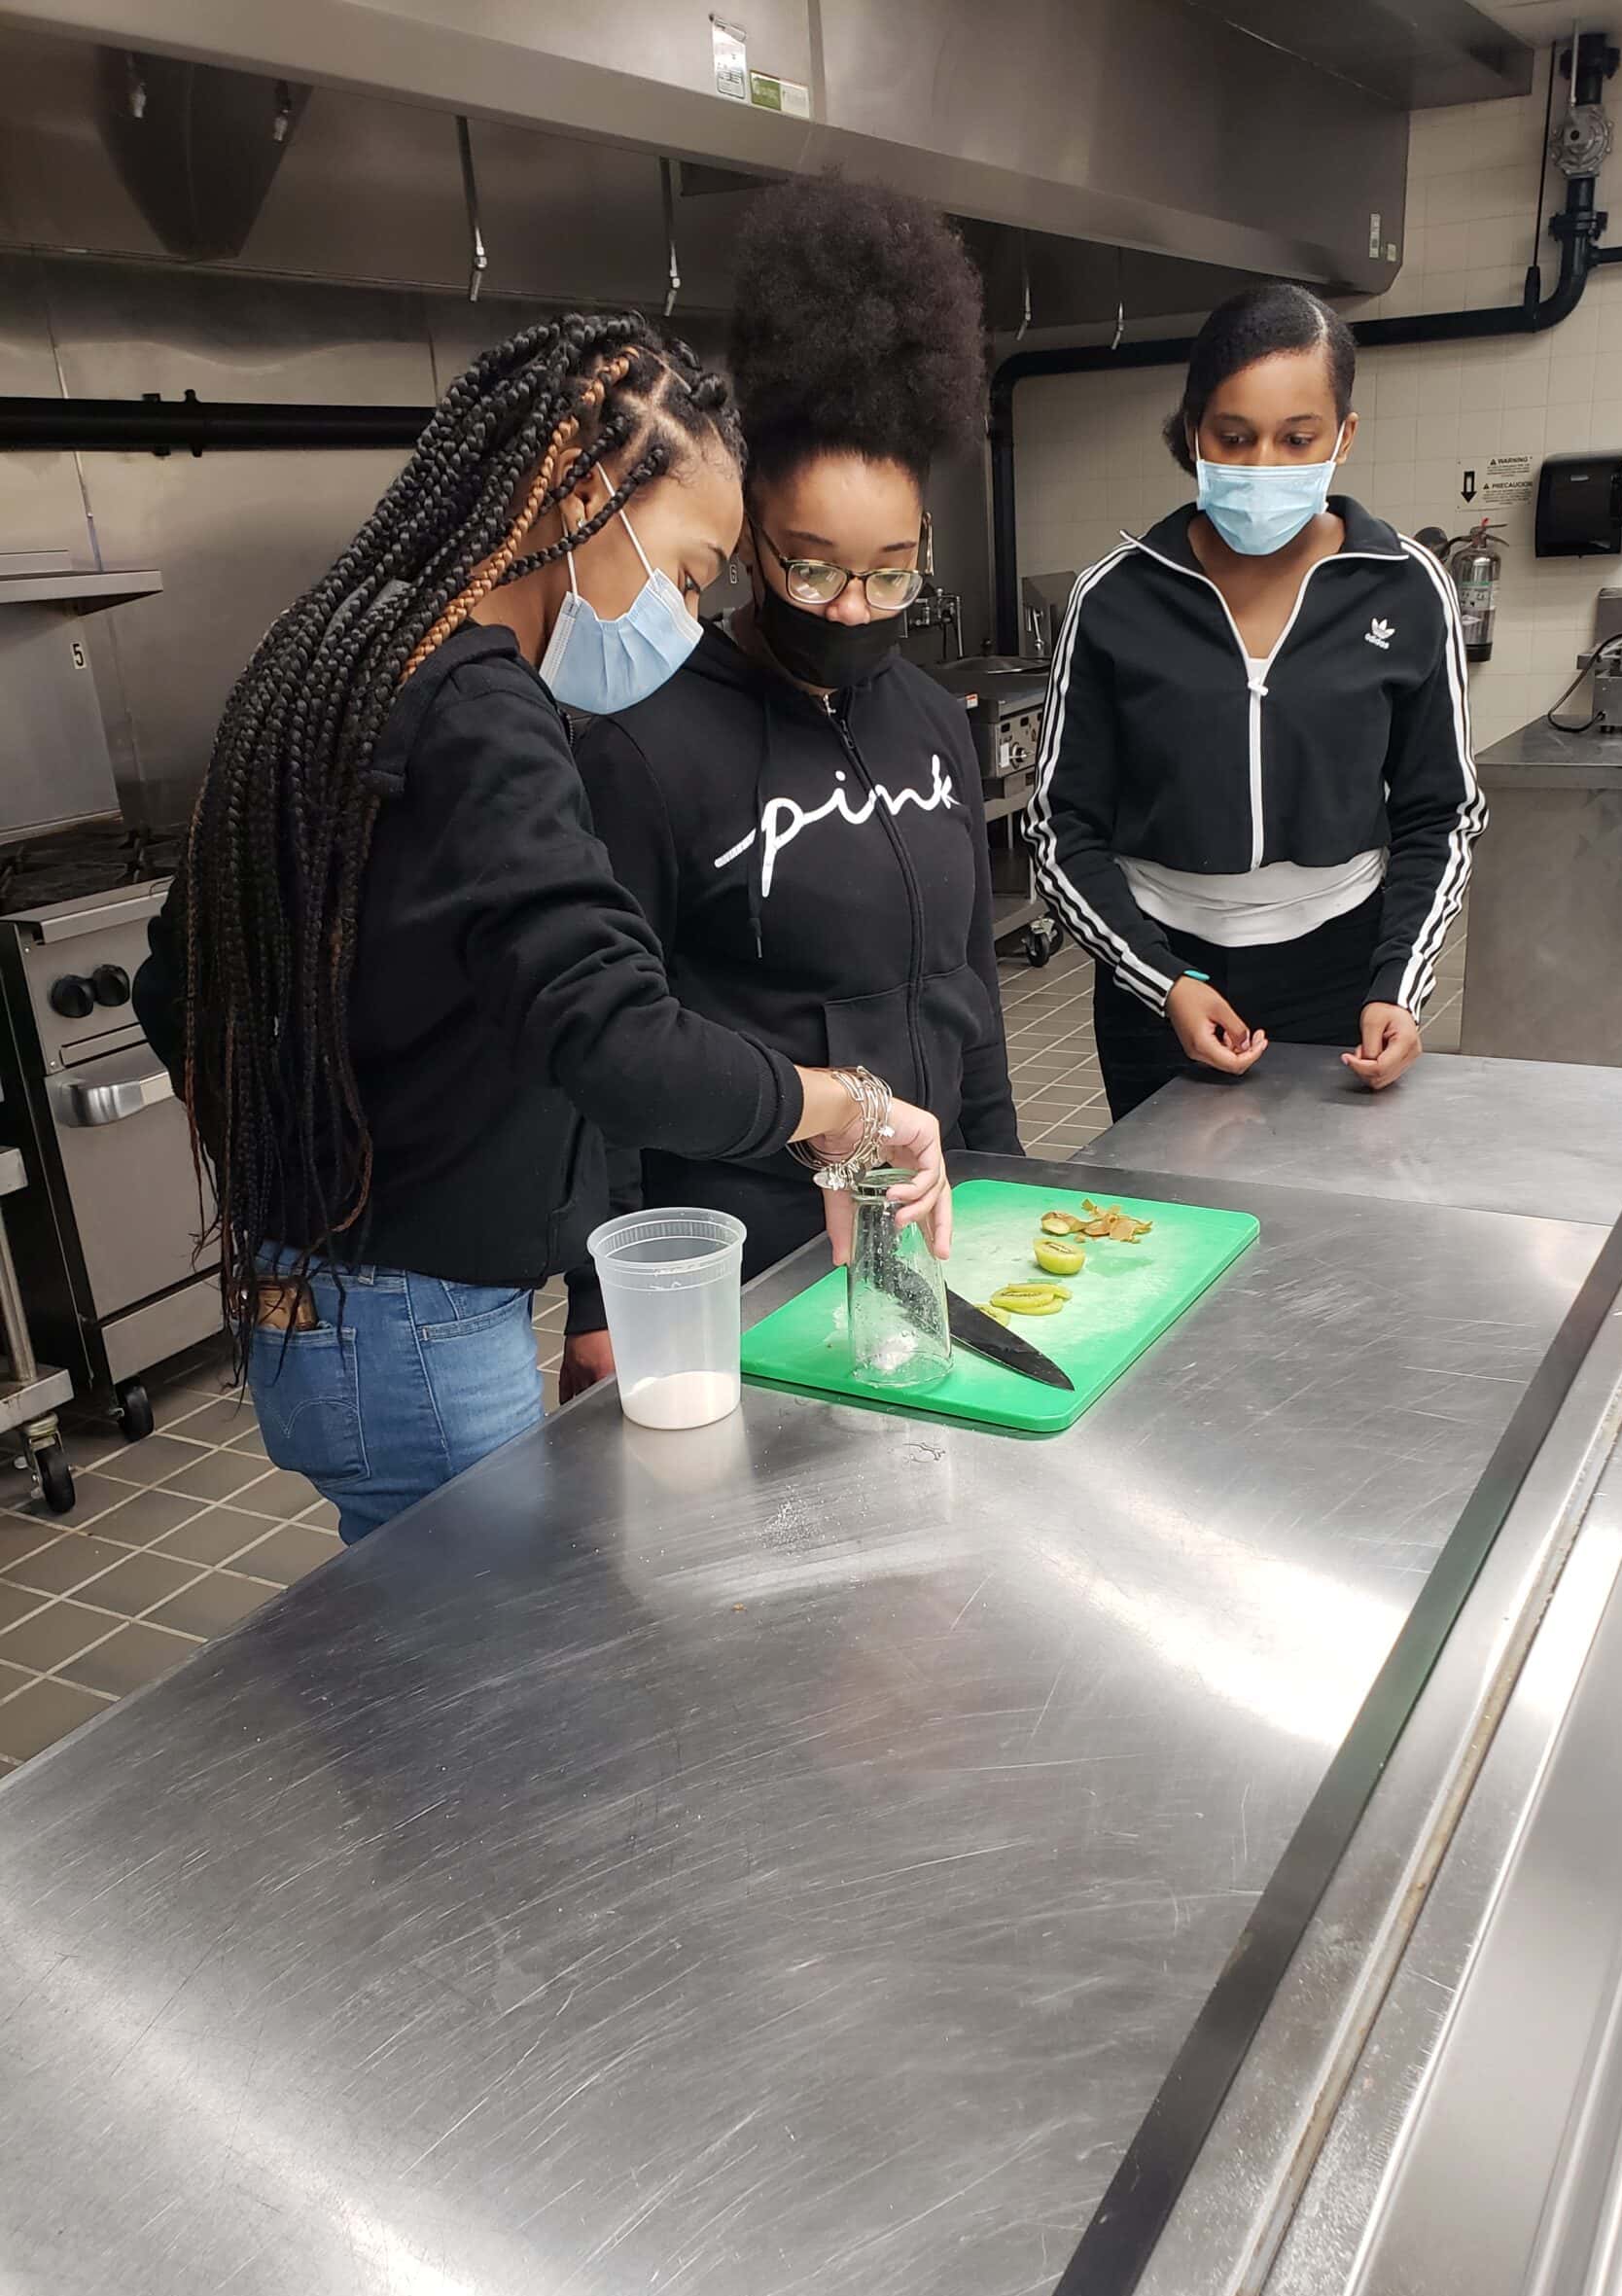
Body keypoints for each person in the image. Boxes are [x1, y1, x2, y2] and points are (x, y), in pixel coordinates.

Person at [133, 312, 950, 1543]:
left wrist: (302, 1188)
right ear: (578, 473)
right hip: (415, 1327)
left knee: (423, 1628)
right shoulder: (479, 709)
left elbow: (170, 984)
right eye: (683, 571)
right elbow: (619, 1039)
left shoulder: (348, 652)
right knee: (485, 1688)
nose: (680, 619)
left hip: (316, 1309)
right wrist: (854, 1106)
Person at [564, 178, 1017, 1398]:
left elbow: (967, 982)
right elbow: (604, 1039)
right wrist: (599, 1304)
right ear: (750, 537)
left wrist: (1004, 1170)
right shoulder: (646, 742)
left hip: (921, 1205)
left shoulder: (931, 724)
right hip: (744, 1245)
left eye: (890, 574)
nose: (853, 610)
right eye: (813, 572)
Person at [1028, 281, 1484, 1121]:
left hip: (1342, 975)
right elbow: (1061, 831)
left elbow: (1440, 815)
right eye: (1232, 438)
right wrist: (1162, 981)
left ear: (1343, 436)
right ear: (1193, 432)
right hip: (1162, 971)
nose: (1262, 466)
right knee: (1162, 1226)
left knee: (1331, 1226)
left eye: (1296, 438)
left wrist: (1400, 984)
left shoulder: (1407, 590)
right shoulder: (1117, 600)